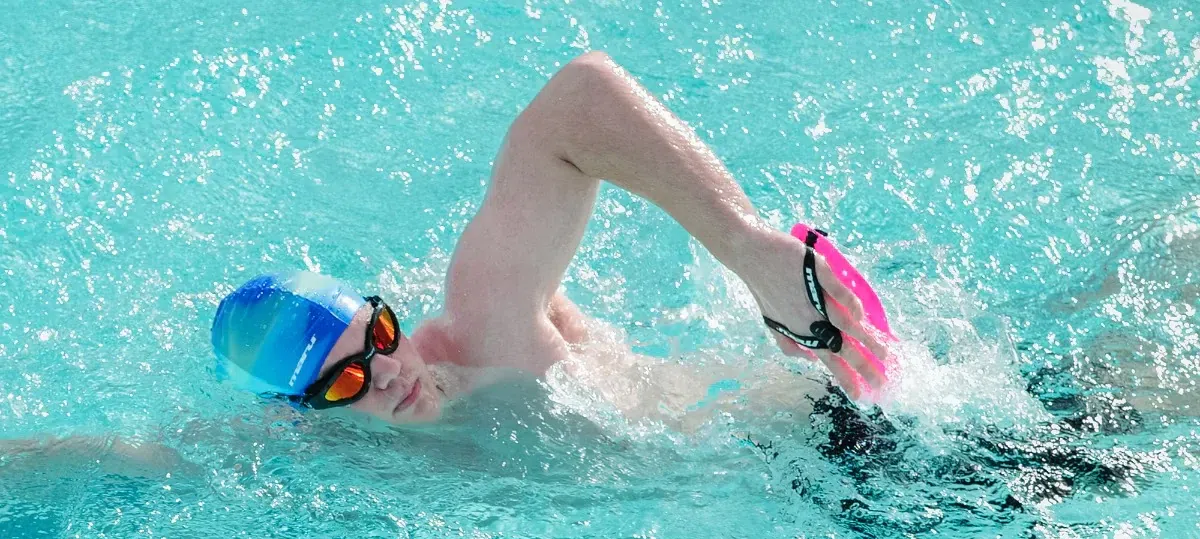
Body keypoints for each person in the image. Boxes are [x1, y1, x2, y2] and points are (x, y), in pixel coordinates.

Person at [210, 51, 891, 426]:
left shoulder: (486, 325)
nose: (390, 370)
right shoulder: (306, 453)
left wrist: (751, 250)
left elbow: (578, 99)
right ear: (300, 417)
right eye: (348, 380)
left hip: (829, 430)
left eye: (380, 335)